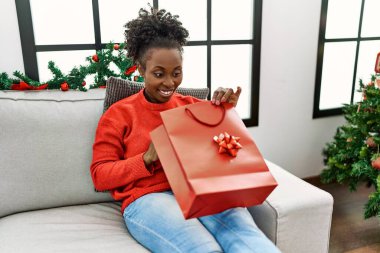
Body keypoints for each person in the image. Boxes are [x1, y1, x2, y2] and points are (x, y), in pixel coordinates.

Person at [90, 6, 281, 253]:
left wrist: (225, 112)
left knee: (246, 236)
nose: (169, 82)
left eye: (176, 73)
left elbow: (225, 149)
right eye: (159, 73)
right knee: (202, 248)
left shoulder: (193, 107)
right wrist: (146, 159)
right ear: (140, 70)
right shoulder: (119, 114)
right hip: (149, 198)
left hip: (201, 189)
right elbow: (100, 175)